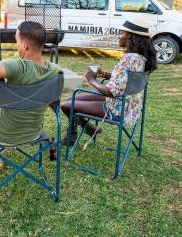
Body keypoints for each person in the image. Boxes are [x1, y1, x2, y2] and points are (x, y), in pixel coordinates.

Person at [0, 21, 61, 170]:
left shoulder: (18, 66)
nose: (16, 44)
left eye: (17, 41)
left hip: (2, 136)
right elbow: (51, 100)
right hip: (34, 134)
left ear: (24, 46)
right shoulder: (57, 71)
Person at [61, 17, 157, 145]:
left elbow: (110, 92)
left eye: (122, 33)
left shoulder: (129, 59)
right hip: (130, 105)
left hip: (117, 108)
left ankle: (75, 133)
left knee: (66, 105)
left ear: (130, 37)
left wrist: (91, 80)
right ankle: (85, 128)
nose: (119, 36)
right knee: (70, 99)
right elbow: (126, 80)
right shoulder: (140, 58)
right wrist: (104, 74)